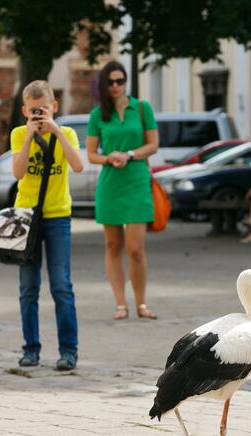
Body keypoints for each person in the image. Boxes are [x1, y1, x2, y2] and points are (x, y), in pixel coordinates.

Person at [11, 81, 84, 370]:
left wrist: (55, 131)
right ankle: (31, 349)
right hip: (26, 218)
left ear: (54, 107)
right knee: (28, 287)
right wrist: (30, 137)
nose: (38, 115)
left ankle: (69, 351)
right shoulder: (18, 134)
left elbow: (78, 165)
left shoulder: (66, 132)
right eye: (33, 110)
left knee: (61, 285)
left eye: (43, 109)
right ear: (24, 111)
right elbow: (18, 172)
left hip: (58, 216)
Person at [86, 61, 160, 320]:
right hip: (110, 182)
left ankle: (141, 303)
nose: (115, 86)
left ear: (126, 82)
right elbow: (91, 154)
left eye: (120, 81)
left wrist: (129, 154)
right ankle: (120, 304)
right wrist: (110, 157)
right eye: (110, 82)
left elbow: (153, 145)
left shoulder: (141, 108)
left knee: (135, 248)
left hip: (137, 180)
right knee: (112, 245)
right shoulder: (98, 115)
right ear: (103, 86)